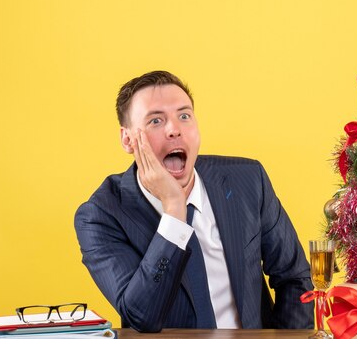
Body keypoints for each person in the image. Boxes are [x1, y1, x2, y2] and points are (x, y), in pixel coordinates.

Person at [74, 71, 314, 332]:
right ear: (128, 139)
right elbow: (142, 316)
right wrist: (174, 210)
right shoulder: (100, 215)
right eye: (155, 120)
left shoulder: (248, 180)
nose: (174, 130)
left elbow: (294, 277)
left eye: (184, 116)